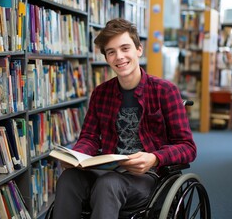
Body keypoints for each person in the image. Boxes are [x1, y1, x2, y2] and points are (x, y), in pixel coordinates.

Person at [52, 18, 196, 219]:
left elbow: (188, 147)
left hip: (147, 178)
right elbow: (90, 138)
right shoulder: (101, 93)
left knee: (108, 184)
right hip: (108, 171)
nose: (119, 57)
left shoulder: (165, 91)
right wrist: (77, 157)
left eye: (125, 48)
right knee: (69, 178)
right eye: (111, 52)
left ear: (138, 49)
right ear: (106, 58)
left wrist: (155, 158)